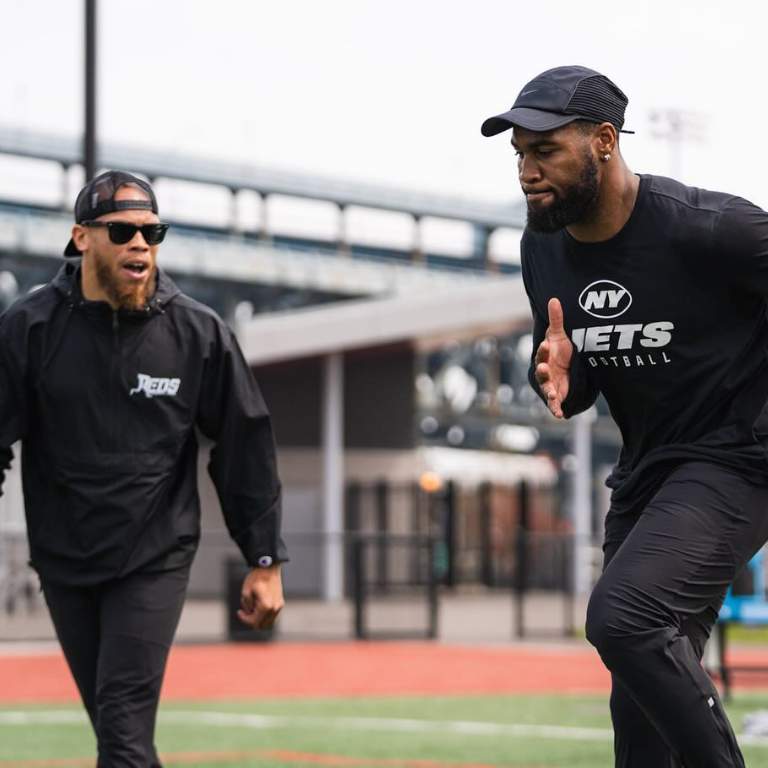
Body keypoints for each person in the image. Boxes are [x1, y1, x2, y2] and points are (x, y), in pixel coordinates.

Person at [482, 65, 768, 767]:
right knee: (639, 709)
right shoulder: (542, 248)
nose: (526, 170)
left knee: (625, 618)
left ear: (604, 141)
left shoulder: (710, 230)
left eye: (545, 150)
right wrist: (554, 374)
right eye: (519, 152)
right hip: (647, 473)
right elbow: (573, 380)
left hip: (738, 458)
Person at [0, 170, 287, 767]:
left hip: (153, 556)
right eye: (124, 230)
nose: (141, 244)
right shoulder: (30, 328)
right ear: (82, 238)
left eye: (153, 232)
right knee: (117, 731)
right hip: (64, 558)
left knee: (123, 728)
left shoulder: (197, 332)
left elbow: (244, 444)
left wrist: (264, 559)